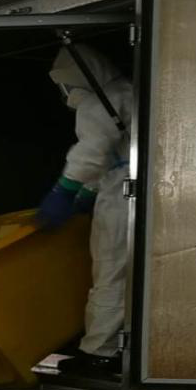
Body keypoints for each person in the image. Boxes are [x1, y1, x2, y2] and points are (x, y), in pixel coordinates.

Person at [36, 44, 133, 371]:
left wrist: (65, 190)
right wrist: (88, 193)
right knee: (130, 275)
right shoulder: (129, 92)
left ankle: (101, 350)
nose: (67, 92)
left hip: (121, 199)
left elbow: (93, 151)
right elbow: (114, 158)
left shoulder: (100, 101)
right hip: (132, 192)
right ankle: (122, 350)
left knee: (110, 271)